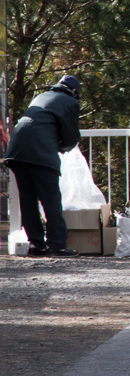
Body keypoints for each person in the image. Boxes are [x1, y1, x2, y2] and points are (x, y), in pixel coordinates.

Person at [3, 75, 83, 258]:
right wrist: (63, 147)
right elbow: (70, 135)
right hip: (40, 151)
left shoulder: (40, 96)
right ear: (74, 91)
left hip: (17, 151)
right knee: (51, 198)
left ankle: (36, 246)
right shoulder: (69, 101)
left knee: (28, 199)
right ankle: (57, 246)